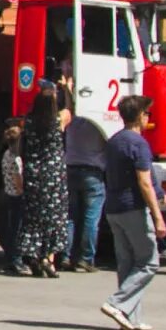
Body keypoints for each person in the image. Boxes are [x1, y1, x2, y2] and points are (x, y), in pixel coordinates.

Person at [98, 95, 166, 330]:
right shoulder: (138, 143)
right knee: (149, 262)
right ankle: (116, 303)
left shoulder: (114, 141)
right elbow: (144, 182)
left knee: (127, 263)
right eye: (147, 113)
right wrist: (158, 216)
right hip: (133, 208)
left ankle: (130, 316)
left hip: (114, 207)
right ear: (140, 116)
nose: (149, 117)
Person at [16, 82, 70, 279]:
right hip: (53, 174)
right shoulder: (58, 121)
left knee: (33, 216)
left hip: (33, 172)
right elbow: (68, 110)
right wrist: (67, 89)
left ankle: (32, 253)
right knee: (54, 216)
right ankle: (48, 258)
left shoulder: (28, 122)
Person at [61, 79, 108, 272]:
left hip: (70, 168)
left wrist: (66, 90)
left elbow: (68, 107)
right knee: (91, 218)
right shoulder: (97, 124)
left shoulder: (72, 121)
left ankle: (65, 255)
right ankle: (85, 259)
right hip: (92, 172)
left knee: (70, 216)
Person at [0, 123, 25, 275]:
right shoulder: (16, 158)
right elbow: (18, 179)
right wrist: (23, 190)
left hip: (8, 192)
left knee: (11, 228)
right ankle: (16, 260)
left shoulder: (6, 155)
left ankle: (9, 258)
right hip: (16, 195)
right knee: (17, 229)